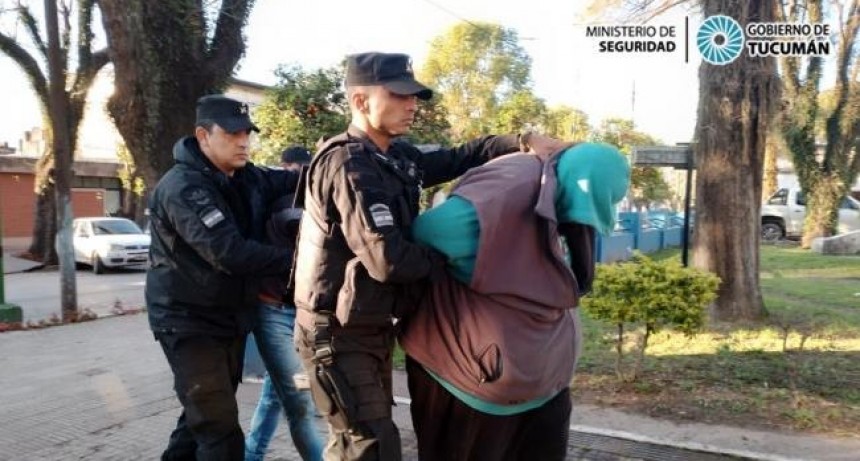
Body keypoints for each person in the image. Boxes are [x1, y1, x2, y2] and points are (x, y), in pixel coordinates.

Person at [291, 51, 551, 461]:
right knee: (370, 447)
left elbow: (459, 156)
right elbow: (388, 261)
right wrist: (460, 254)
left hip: (368, 326)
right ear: (361, 101)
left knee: (358, 445)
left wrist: (522, 141)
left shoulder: (395, 157)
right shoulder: (348, 164)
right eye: (400, 96)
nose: (412, 105)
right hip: (336, 334)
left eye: (415, 96)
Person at [398, 141, 631, 461]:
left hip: (542, 385)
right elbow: (430, 232)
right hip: (472, 383)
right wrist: (484, 272)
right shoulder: (511, 189)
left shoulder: (555, 190)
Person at [146, 94, 299, 460]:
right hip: (187, 323)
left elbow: (291, 181)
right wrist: (301, 260)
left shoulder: (246, 177)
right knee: (220, 432)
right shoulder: (184, 187)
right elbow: (227, 252)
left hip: (227, 319)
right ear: (203, 136)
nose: (243, 141)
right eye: (232, 134)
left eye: (247, 133)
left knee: (199, 419)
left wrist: (335, 163)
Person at [244, 145, 324, 461]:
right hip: (273, 310)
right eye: (296, 170)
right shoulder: (282, 205)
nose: (299, 178)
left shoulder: (306, 203)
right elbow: (299, 228)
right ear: (284, 167)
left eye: (307, 170)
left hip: (301, 311)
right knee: (299, 400)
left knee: (275, 394)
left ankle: (251, 454)